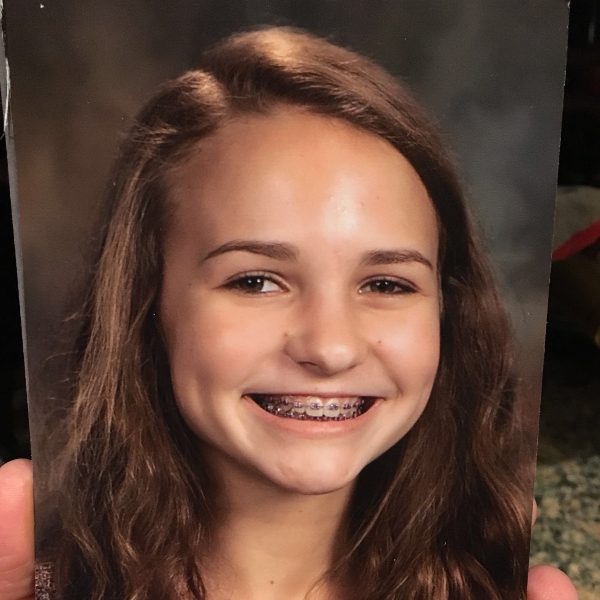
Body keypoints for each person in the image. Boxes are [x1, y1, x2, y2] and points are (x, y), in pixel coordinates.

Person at [0, 27, 577, 600]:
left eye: (386, 283)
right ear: (145, 302)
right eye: (256, 281)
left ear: (449, 313)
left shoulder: (486, 577)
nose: (331, 349)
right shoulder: (53, 580)